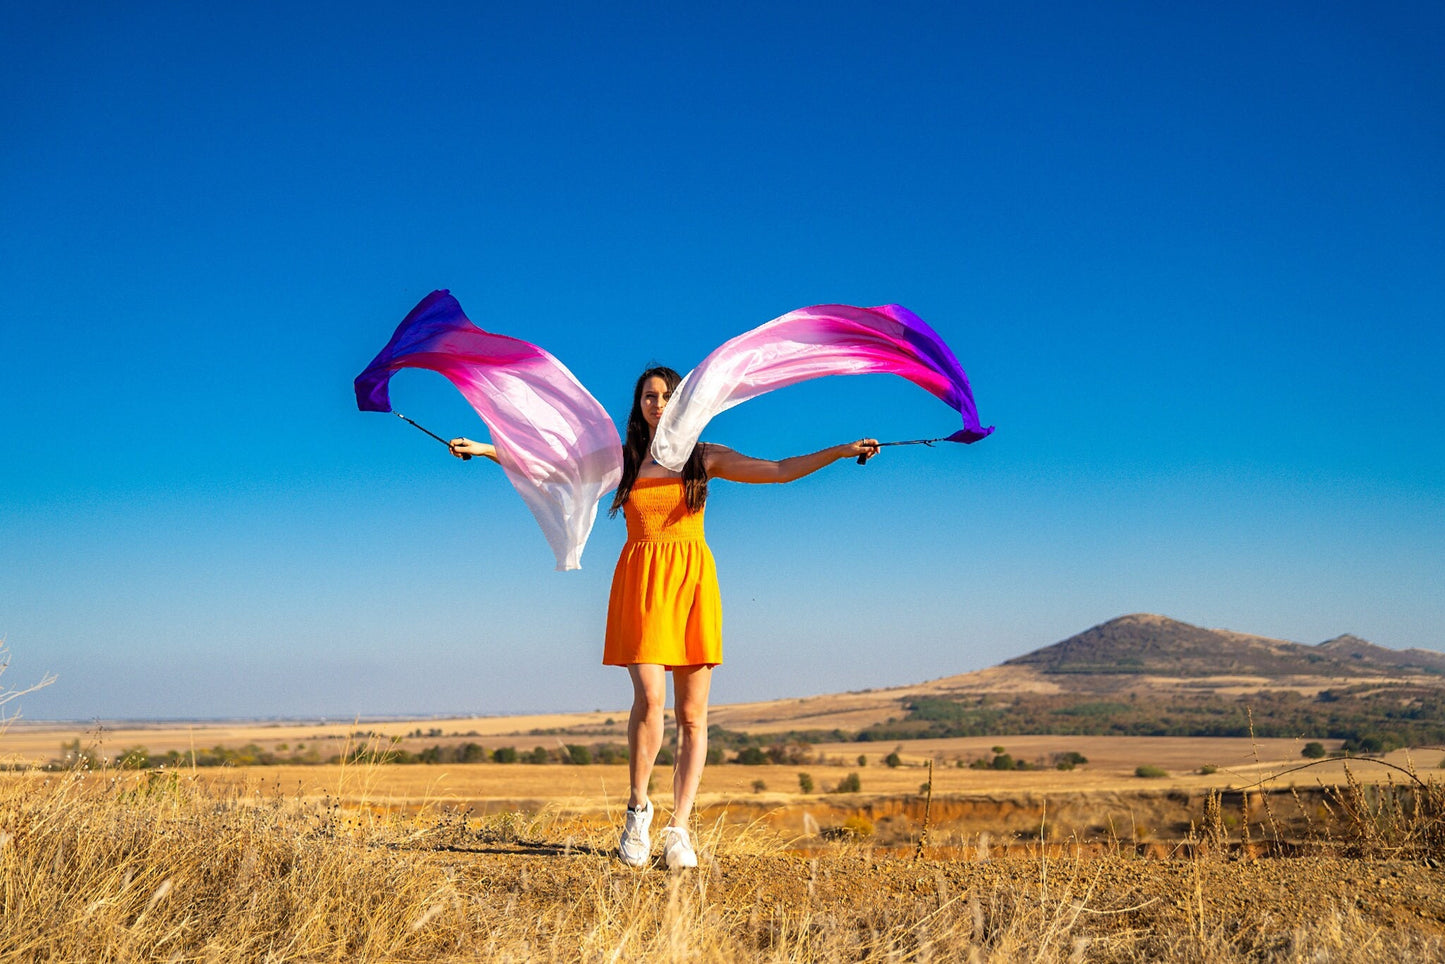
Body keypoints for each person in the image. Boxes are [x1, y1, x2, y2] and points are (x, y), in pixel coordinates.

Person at [450, 366, 879, 870]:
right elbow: (556, 468)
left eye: (667, 396)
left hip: (693, 582)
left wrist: (839, 451)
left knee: (693, 716)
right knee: (650, 699)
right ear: (639, 405)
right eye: (649, 396)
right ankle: (638, 812)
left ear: (681, 404)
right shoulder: (623, 460)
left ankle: (679, 829)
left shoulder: (705, 458)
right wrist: (486, 450)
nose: (657, 403)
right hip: (642, 582)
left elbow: (779, 470)